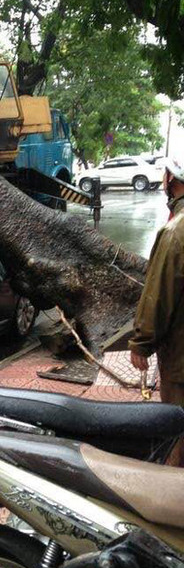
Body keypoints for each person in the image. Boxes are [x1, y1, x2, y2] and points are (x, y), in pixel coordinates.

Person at [130, 155, 184, 451]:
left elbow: (160, 293)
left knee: (177, 433)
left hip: (180, 360)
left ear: (171, 180)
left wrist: (142, 342)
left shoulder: (176, 232)